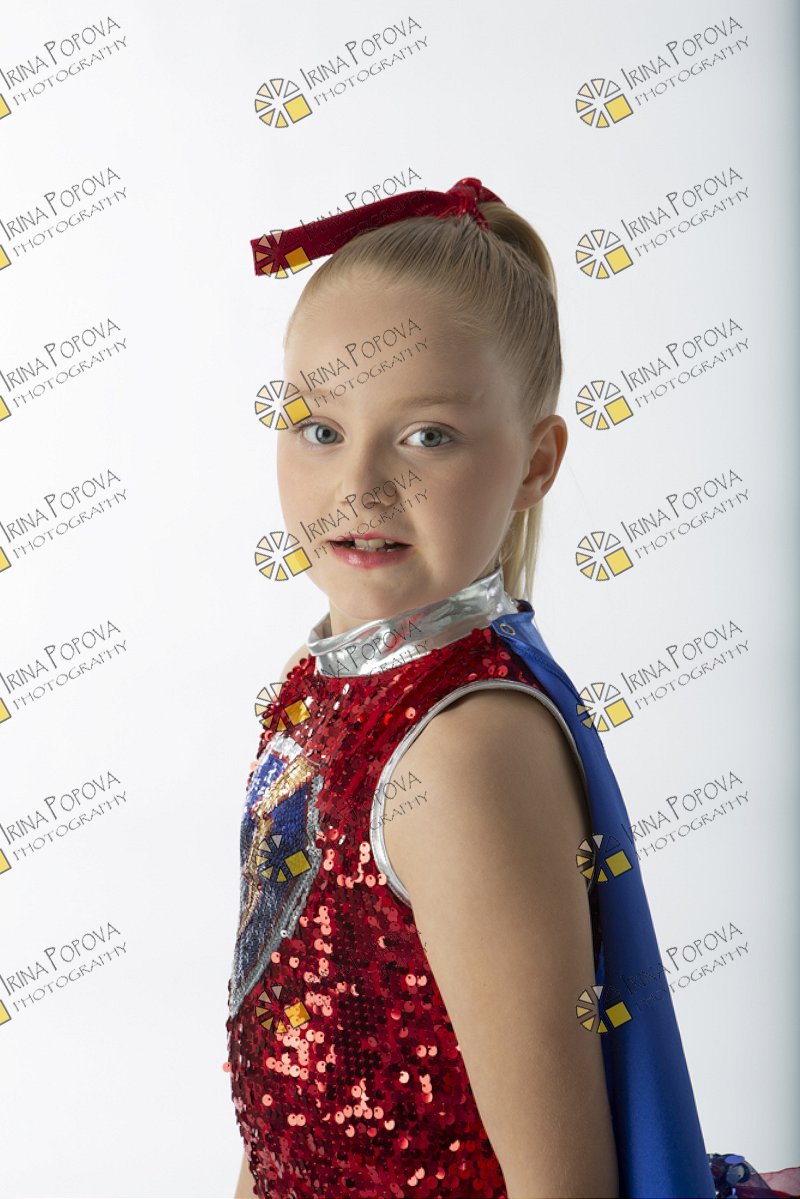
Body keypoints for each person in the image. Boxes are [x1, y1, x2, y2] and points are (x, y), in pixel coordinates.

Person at [223, 179, 800, 1199]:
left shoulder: (460, 751)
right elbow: (285, 1111)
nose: (358, 484)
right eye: (318, 427)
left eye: (427, 435)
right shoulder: (321, 687)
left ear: (536, 462)